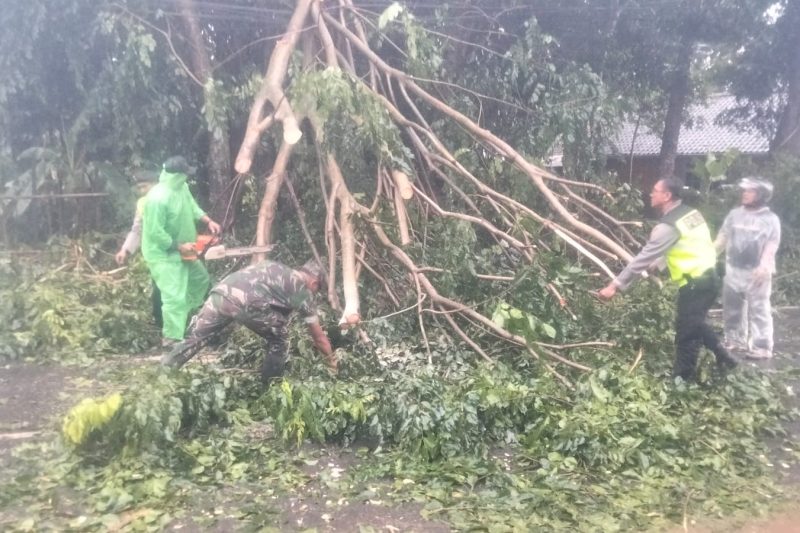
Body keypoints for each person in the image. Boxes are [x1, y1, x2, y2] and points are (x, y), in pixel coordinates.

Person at [597, 177, 737, 381]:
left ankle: (681, 382)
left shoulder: (667, 226)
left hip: (695, 282)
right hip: (710, 276)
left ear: (667, 196)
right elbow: (686, 243)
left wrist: (614, 286)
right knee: (695, 323)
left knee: (686, 334)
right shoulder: (690, 214)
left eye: (655, 190)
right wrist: (660, 264)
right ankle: (725, 357)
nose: (651, 194)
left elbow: (643, 258)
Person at [160, 259, 337, 382]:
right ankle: (269, 390)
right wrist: (331, 362)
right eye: (317, 289)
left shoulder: (274, 265)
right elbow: (318, 337)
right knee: (280, 340)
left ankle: (163, 372)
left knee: (196, 338)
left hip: (221, 293)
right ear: (314, 283)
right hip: (246, 303)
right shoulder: (301, 290)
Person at [141, 156, 221, 346]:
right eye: (184, 174)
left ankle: (182, 317)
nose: (186, 177)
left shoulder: (182, 188)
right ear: (176, 175)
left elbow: (192, 206)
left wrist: (207, 220)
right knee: (173, 296)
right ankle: (171, 338)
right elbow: (155, 232)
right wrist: (177, 245)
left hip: (186, 248)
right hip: (163, 255)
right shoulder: (157, 199)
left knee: (200, 280)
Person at [714, 177, 781, 359]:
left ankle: (762, 346)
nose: (745, 193)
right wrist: (711, 254)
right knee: (732, 307)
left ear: (761, 195)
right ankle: (734, 340)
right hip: (733, 269)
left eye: (750, 191)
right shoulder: (735, 214)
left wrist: (764, 266)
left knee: (759, 309)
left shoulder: (770, 219)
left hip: (757, 272)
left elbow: (772, 244)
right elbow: (723, 236)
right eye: (744, 190)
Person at [115, 169, 163, 328]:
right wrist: (125, 250)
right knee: (159, 288)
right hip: (156, 253)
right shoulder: (142, 203)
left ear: (156, 184)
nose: (142, 191)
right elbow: (137, 229)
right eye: (140, 188)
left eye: (145, 187)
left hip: (176, 249)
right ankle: (161, 324)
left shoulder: (168, 198)